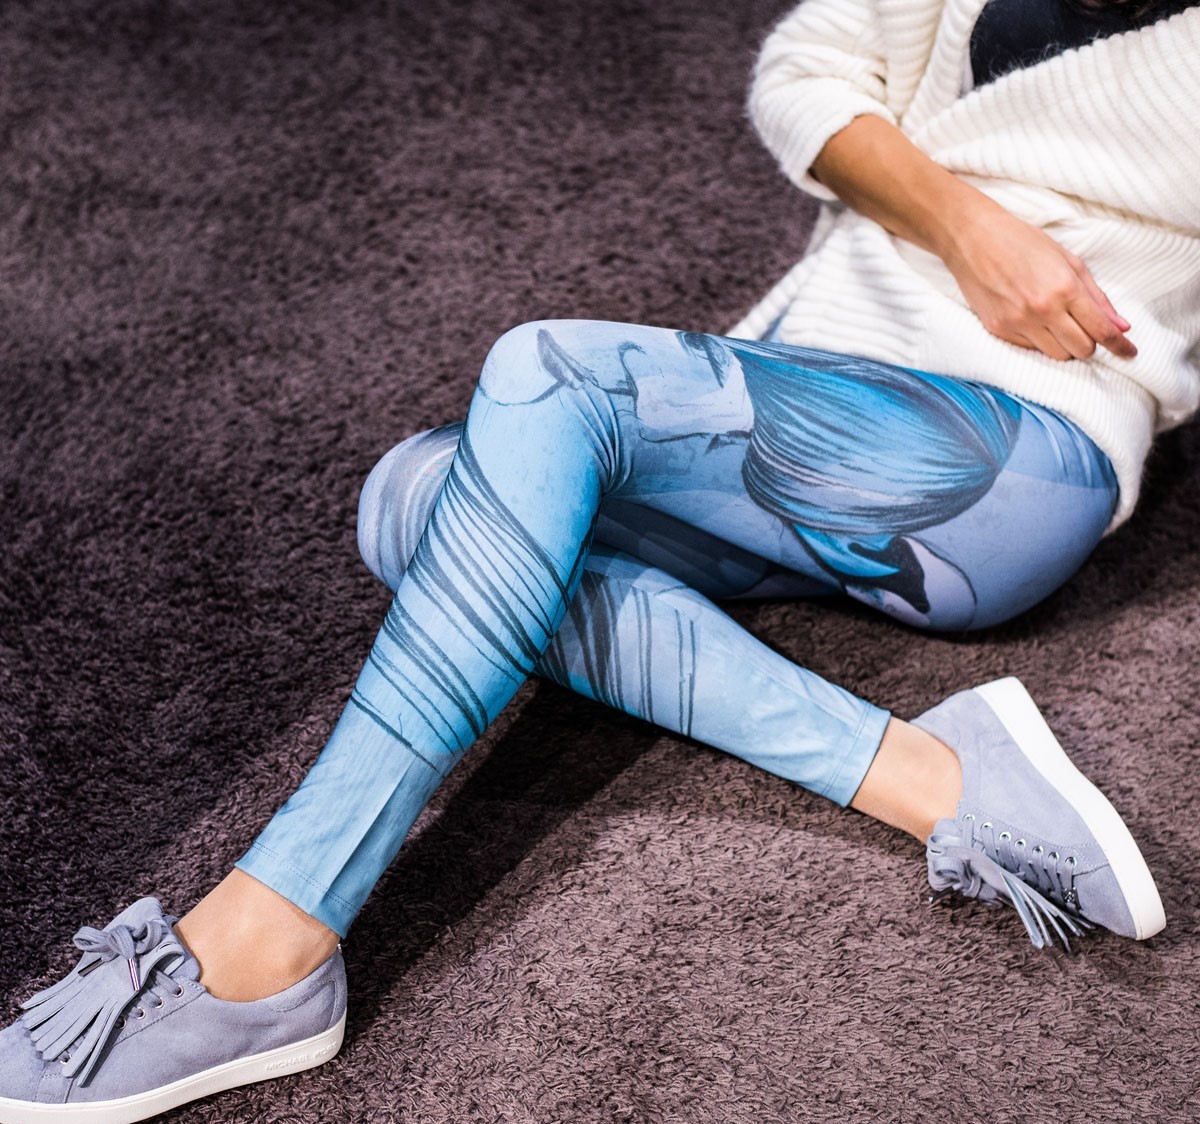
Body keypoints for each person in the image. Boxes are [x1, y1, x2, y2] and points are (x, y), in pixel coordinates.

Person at [2, 0, 1197, 1120]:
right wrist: (964, 223)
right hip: (801, 408)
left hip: (1015, 445)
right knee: (412, 497)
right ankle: (933, 775)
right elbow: (802, 73)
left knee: (553, 373)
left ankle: (274, 932)